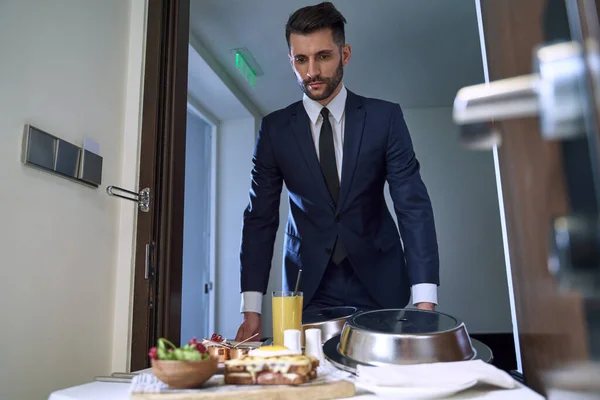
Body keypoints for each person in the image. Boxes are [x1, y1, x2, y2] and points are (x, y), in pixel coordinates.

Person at [235, 2, 439, 341]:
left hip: (381, 282)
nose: (312, 71)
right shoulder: (274, 131)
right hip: (308, 285)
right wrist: (251, 308)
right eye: (301, 59)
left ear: (345, 54)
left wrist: (425, 301)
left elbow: (412, 206)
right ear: (291, 61)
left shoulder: (384, 119)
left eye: (323, 56)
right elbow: (260, 218)